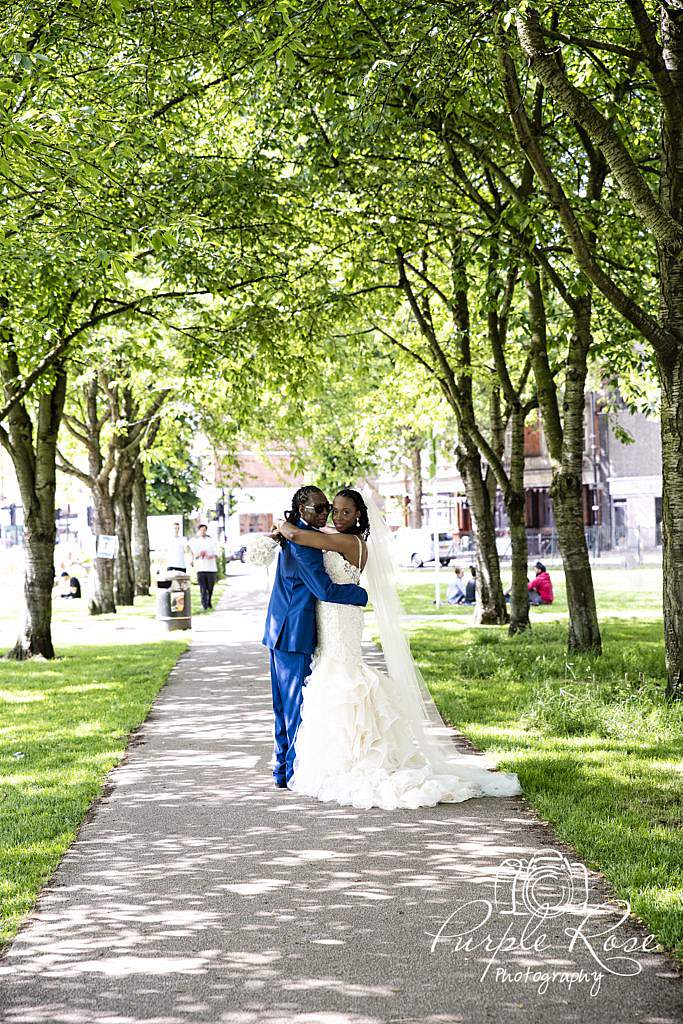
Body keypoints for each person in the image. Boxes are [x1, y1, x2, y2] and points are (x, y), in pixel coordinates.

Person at [273, 488, 522, 810]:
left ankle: (349, 758)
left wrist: (283, 524)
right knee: (333, 680)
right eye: (334, 510)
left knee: (344, 680)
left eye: (345, 512)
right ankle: (327, 756)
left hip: (341, 613)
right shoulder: (337, 535)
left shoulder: (349, 542)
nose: (337, 516)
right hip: (333, 618)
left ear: (360, 515)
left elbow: (301, 537)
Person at [263, 485, 369, 789]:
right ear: (301, 510)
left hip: (279, 629)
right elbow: (324, 590)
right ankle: (293, 771)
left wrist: (282, 526)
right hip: (295, 631)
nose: (327, 514)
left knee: (284, 706)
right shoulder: (302, 541)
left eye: (330, 509)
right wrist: (360, 594)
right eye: (321, 509)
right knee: (295, 707)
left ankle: (282, 770)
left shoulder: (298, 533)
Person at [189, 524, 218, 609]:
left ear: (206, 531)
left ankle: (209, 601)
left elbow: (217, 554)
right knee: (203, 588)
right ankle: (204, 604)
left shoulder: (212, 541)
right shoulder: (196, 542)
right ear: (199, 531)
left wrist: (211, 556)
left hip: (211, 568)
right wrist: (199, 554)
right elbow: (194, 554)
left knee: (210, 588)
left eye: (204, 530)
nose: (203, 531)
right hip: (201, 568)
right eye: (201, 530)